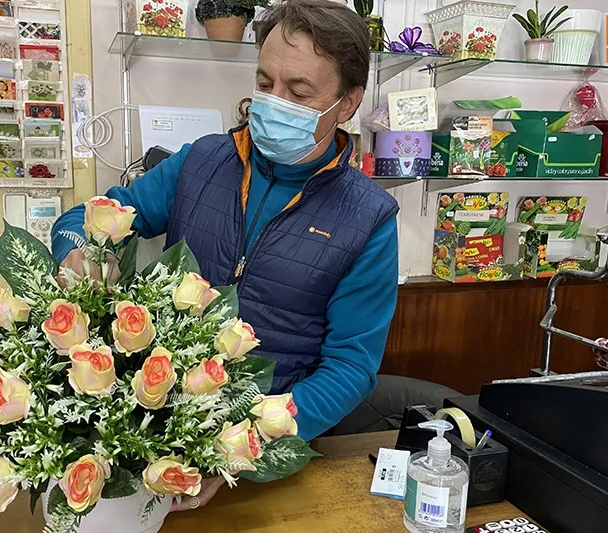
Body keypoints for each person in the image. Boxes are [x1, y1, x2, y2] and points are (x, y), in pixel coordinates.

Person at [51, 0, 399, 510]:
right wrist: (79, 252)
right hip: (157, 427)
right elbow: (82, 221)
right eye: (264, 84)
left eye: (298, 92)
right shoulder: (201, 161)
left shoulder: (368, 217)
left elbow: (350, 367)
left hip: (268, 462)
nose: (274, 102)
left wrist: (238, 448)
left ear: (347, 103)